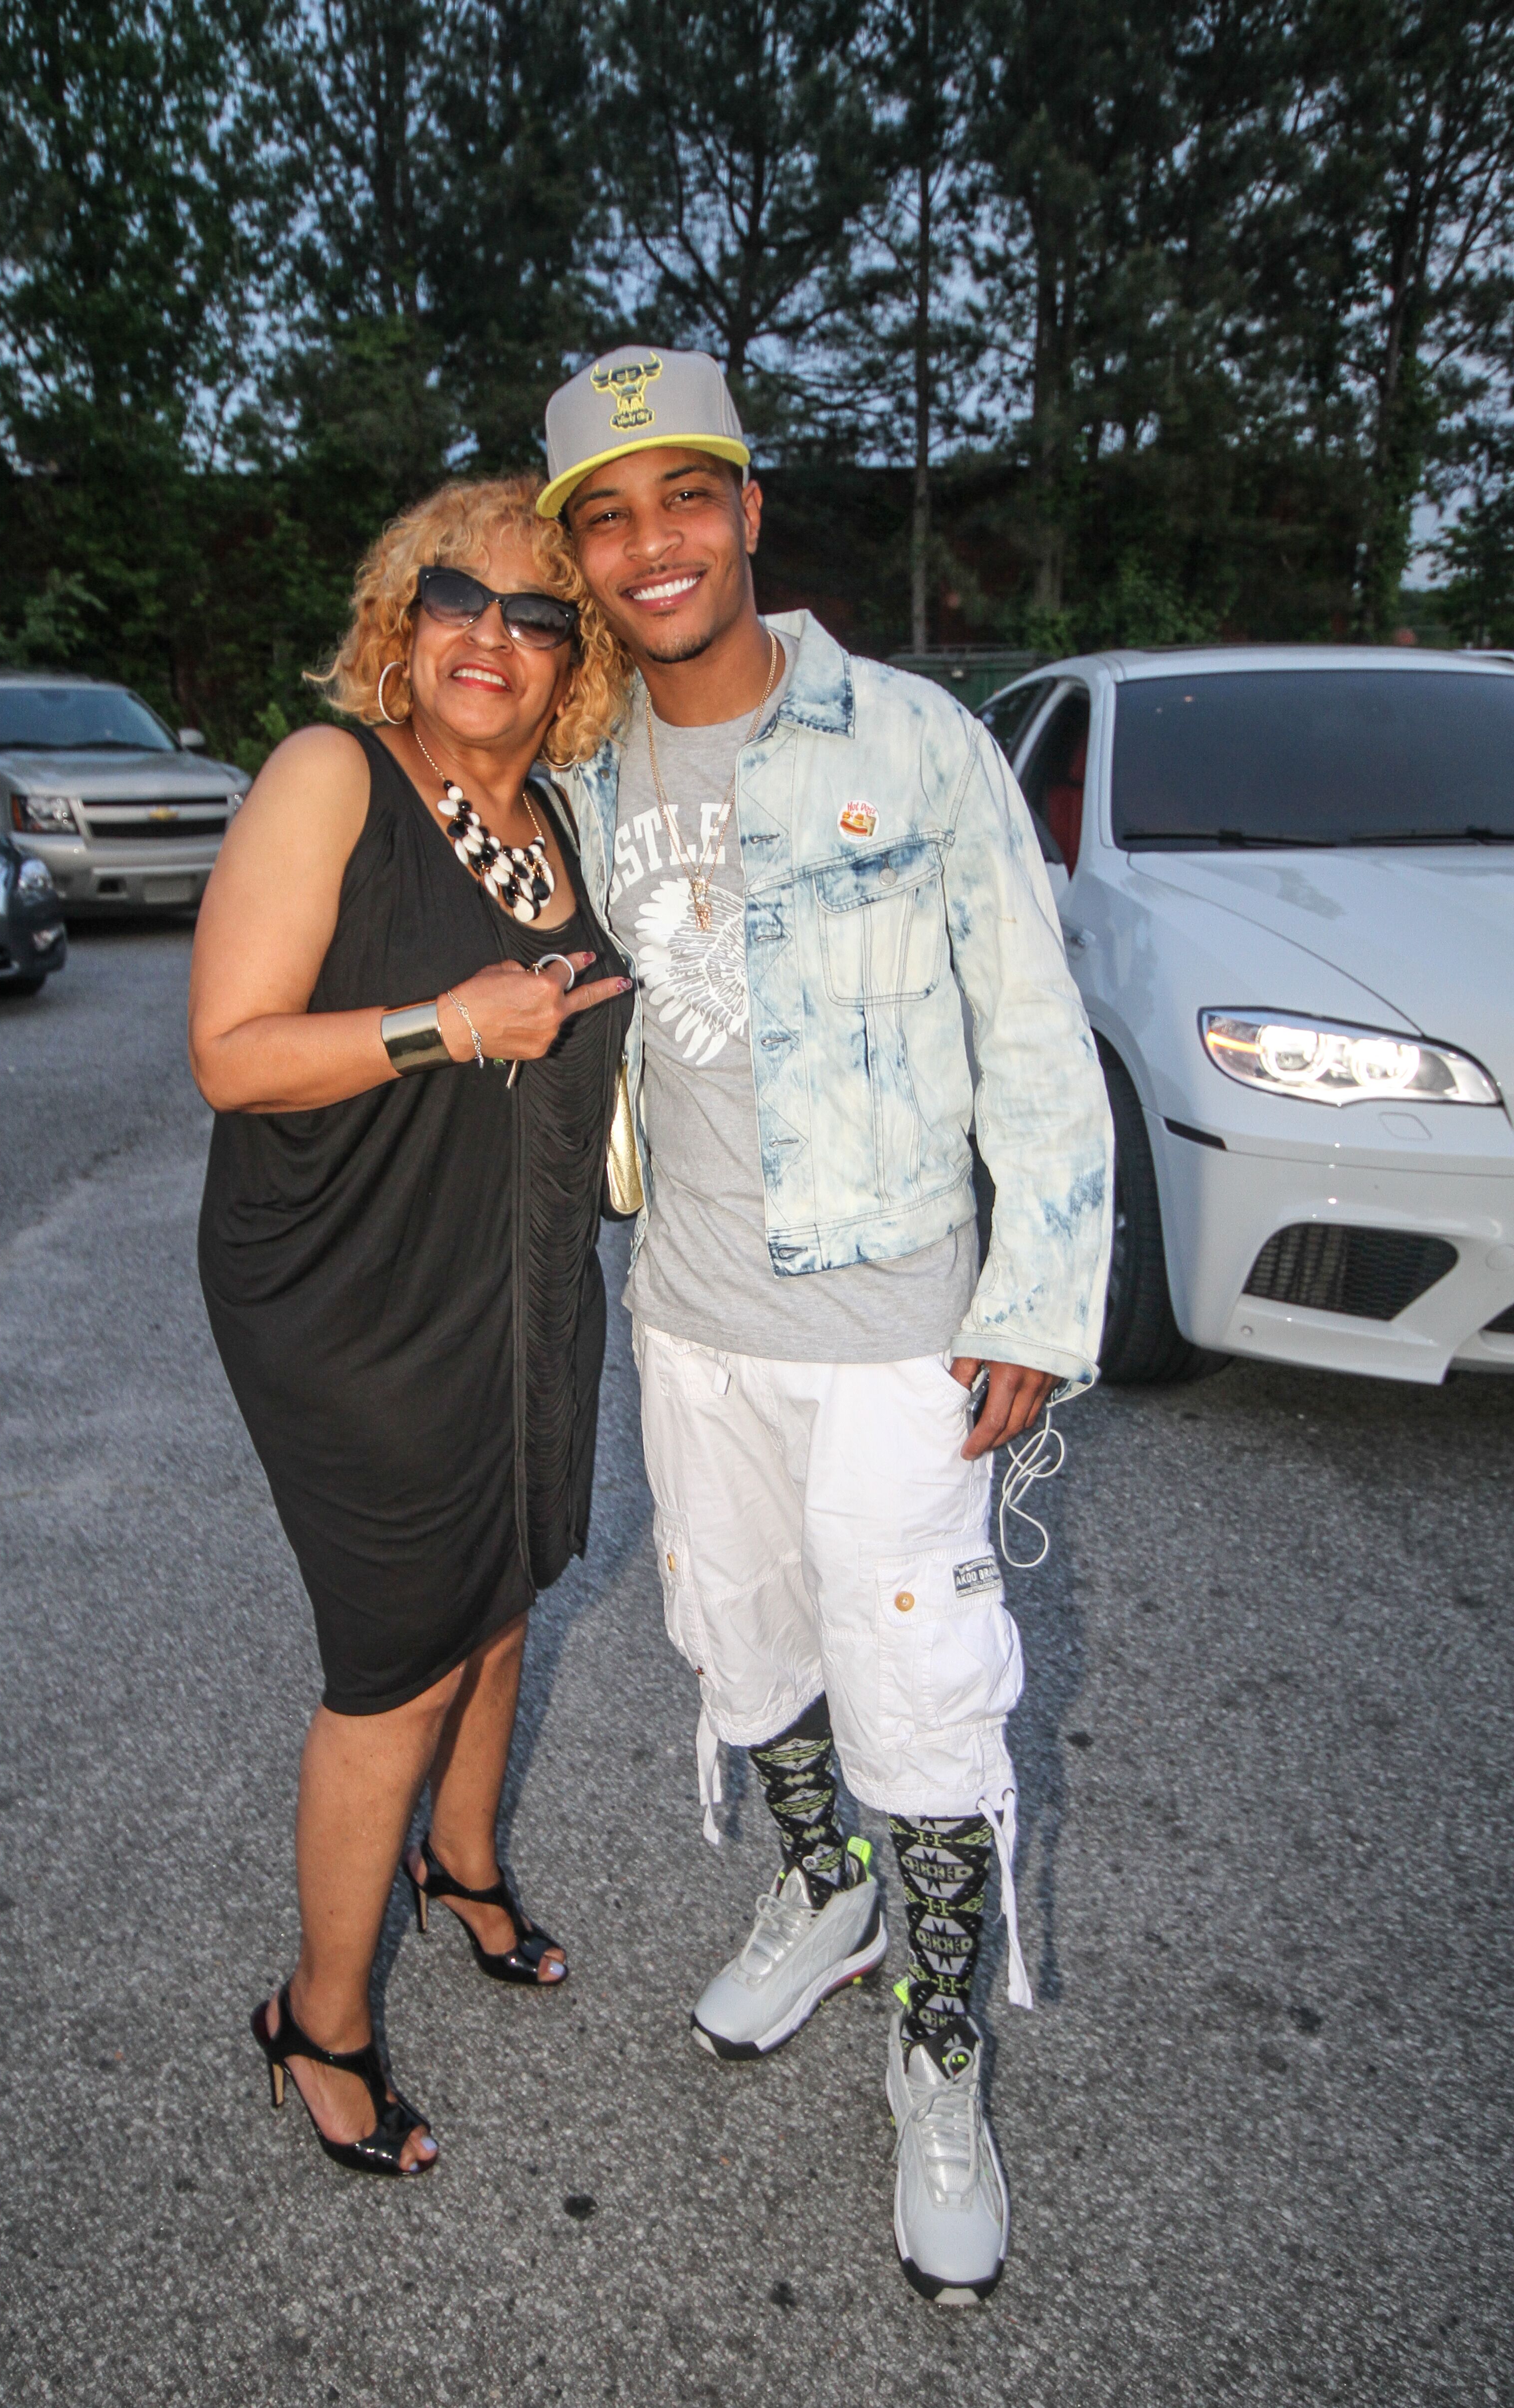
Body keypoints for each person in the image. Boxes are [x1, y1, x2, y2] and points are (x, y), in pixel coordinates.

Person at [537, 347, 1113, 2298]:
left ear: (750, 509)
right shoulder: (588, 765)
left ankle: (938, 2049)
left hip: (897, 1334)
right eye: (606, 516)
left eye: (684, 496)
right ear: (577, 557)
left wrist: (1039, 1282)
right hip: (689, 1320)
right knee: (739, 1637)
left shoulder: (917, 736)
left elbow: (1035, 1025)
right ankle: (827, 1884)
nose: (652, 543)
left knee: (927, 1694)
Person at [189, 473, 634, 2178]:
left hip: (518, 1268)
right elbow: (232, 1052)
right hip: (348, 1285)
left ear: (572, 658)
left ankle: (463, 1865)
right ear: (404, 611)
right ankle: (320, 2014)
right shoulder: (335, 778)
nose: (494, 637)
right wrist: (448, 1022)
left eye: (539, 616)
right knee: (399, 1654)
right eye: (462, 596)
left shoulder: (563, 822)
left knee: (510, 1579)